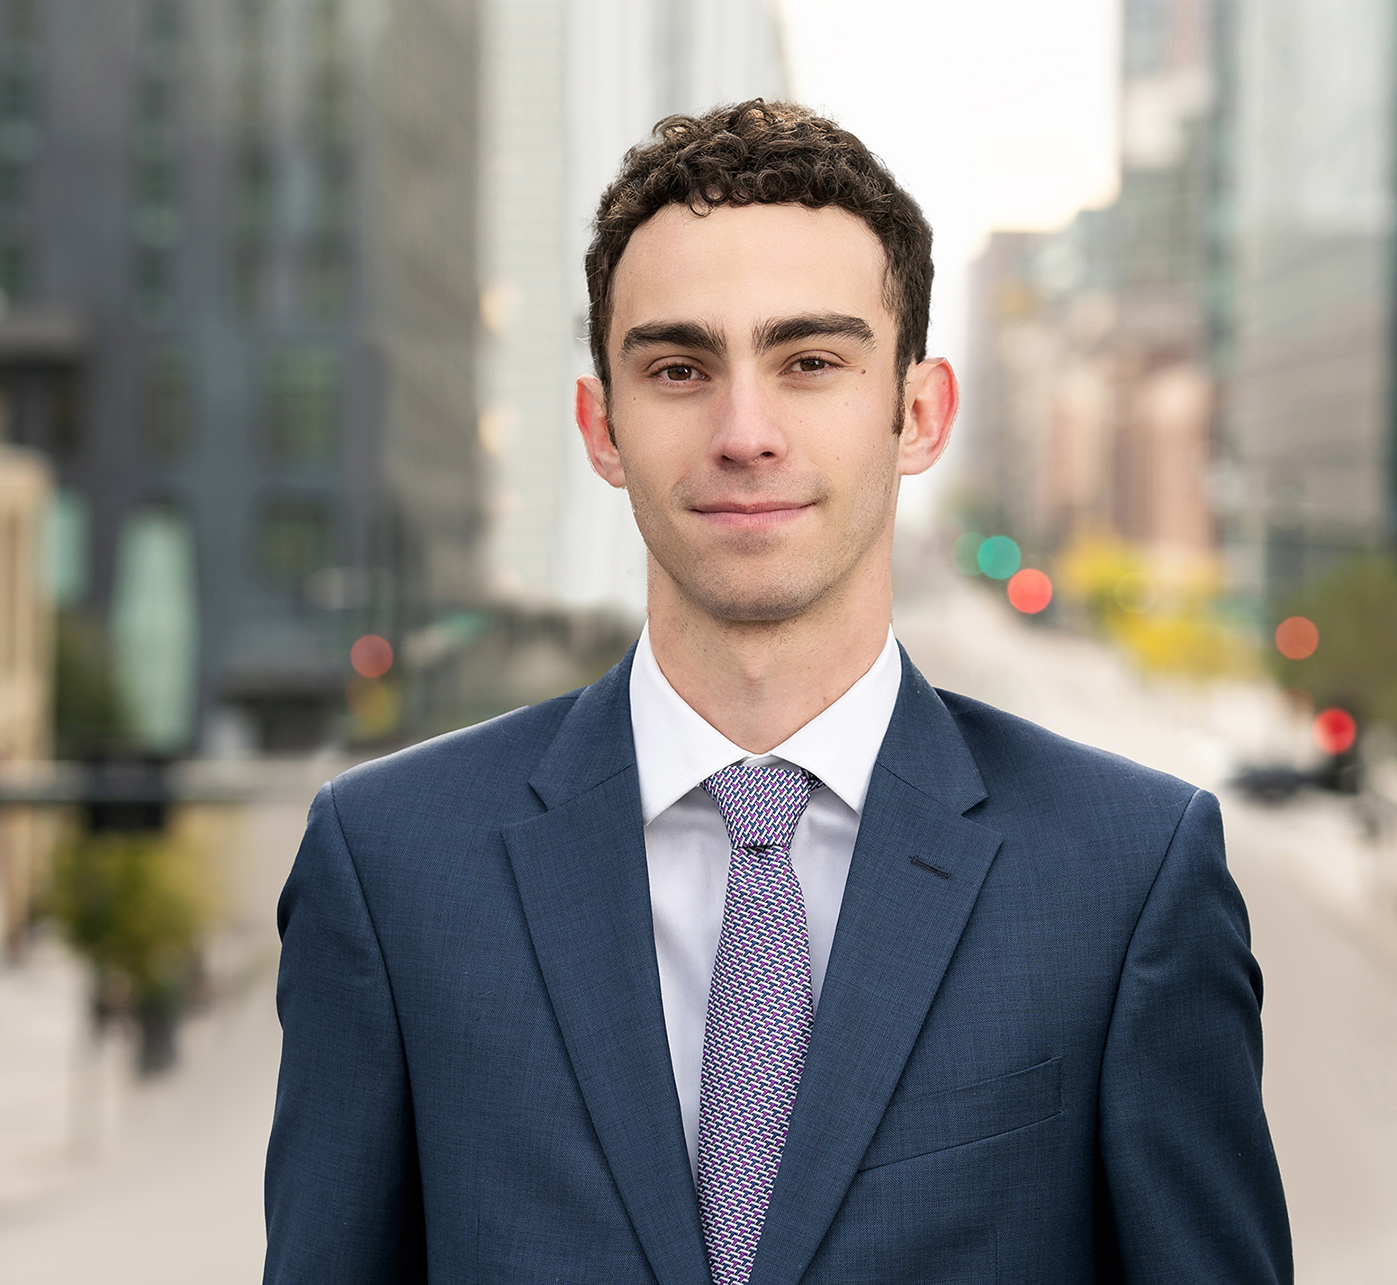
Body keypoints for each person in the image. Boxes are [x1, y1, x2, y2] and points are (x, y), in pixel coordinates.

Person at [264, 100, 1292, 1284]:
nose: (744, 431)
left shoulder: (1129, 877)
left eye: (810, 362)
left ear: (918, 413)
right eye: (679, 366)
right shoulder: (390, 865)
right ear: (602, 426)